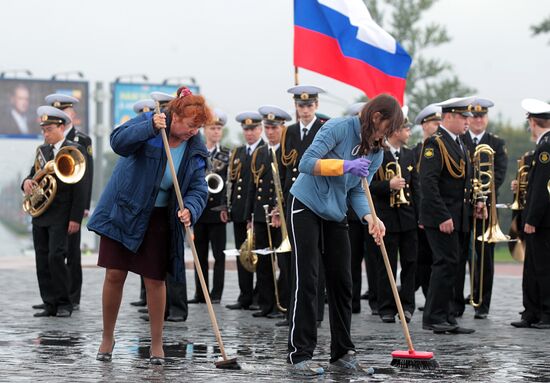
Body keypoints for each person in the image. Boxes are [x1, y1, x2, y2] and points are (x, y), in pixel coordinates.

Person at [87, 86, 210, 364]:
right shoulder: (150, 122)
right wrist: (149, 129)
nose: (193, 131)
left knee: (155, 280)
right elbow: (118, 142)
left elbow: (199, 187)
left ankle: (157, 344)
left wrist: (190, 208)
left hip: (158, 218)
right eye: (190, 125)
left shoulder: (196, 147)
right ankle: (108, 337)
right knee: (114, 275)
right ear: (175, 116)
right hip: (124, 210)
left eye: (198, 126)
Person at [287, 94, 402, 376]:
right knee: (309, 278)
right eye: (387, 128)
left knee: (343, 281)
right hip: (306, 205)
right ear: (376, 118)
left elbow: (356, 191)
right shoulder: (337, 128)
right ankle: (299, 355)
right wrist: (344, 165)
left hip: (336, 212)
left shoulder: (375, 152)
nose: (386, 136)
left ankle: (342, 353)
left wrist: (370, 217)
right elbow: (306, 163)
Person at [419, 96, 482, 335]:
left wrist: (476, 204)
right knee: (444, 264)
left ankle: (446, 316)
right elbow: (429, 184)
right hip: (443, 218)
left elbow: (465, 182)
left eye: (468, 117)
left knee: (453, 267)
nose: (468, 121)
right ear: (448, 117)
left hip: (459, 216)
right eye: (463, 117)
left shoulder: (459, 142)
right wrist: (442, 216)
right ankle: (434, 317)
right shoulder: (436, 143)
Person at [22, 106, 87, 318]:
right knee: (41, 259)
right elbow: (33, 175)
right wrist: (26, 183)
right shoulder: (42, 151)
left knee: (56, 257)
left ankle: (64, 303)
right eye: (43, 130)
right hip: (41, 215)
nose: (45, 134)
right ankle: (49, 303)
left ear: (61, 127)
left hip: (62, 214)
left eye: (49, 129)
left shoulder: (74, 149)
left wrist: (75, 218)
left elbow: (81, 188)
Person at [279, 85, 328, 327]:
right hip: (293, 198)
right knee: (295, 257)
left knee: (315, 257)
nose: (305, 110)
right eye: (301, 105)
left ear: (316, 106)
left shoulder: (324, 127)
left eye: (309, 105)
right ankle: (295, 311)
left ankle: (316, 312)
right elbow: (285, 168)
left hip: (316, 198)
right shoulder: (288, 132)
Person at [42, 93, 94, 311]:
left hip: (73, 204)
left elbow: (86, 176)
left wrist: (83, 207)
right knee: (54, 253)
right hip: (54, 207)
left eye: (66, 111)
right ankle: (56, 296)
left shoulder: (82, 140)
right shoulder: (50, 138)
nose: (63, 114)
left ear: (72, 114)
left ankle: (73, 297)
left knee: (72, 253)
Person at [367, 113, 420, 323]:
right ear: (396, 131)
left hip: (408, 218)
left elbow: (416, 187)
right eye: (406, 129)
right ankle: (387, 307)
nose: (409, 133)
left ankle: (407, 306)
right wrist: (388, 185)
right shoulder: (377, 153)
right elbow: (367, 185)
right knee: (386, 263)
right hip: (386, 217)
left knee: (410, 263)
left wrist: (420, 216)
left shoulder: (409, 155)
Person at [459, 97, 507, 319]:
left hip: (486, 207)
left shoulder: (496, 143)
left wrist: (483, 197)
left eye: (482, 116)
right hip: (463, 206)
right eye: (474, 116)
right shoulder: (459, 140)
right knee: (460, 254)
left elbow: (498, 175)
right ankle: (456, 301)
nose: (478, 120)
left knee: (485, 257)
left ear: (486, 118)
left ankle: (482, 304)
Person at [245, 105, 291, 319]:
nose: (270, 132)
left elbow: (286, 183)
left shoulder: (288, 151)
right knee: (263, 261)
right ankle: (266, 304)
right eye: (267, 127)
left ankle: (283, 303)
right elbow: (252, 187)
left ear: (282, 127)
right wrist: (249, 217)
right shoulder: (260, 152)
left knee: (283, 263)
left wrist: (279, 211)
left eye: (274, 127)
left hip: (280, 216)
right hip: (261, 215)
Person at [511, 98, 550, 329]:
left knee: (543, 267)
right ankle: (532, 311)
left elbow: (543, 188)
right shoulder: (544, 145)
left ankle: (546, 312)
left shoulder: (545, 147)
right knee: (533, 266)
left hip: (542, 221)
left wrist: (532, 219)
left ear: (533, 122)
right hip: (540, 219)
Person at [189, 108, 231, 304]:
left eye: (218, 128)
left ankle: (216, 294)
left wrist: (225, 207)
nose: (215, 132)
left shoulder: (227, 155)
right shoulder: (197, 152)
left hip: (217, 213)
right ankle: (200, 292)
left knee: (219, 256)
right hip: (199, 211)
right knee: (200, 256)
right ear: (204, 130)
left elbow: (230, 183)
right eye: (212, 128)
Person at [225, 111, 264, 311]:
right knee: (243, 255)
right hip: (240, 211)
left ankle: (259, 295)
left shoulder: (266, 150)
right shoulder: (238, 152)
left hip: (257, 212)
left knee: (260, 255)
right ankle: (245, 295)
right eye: (246, 129)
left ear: (260, 129)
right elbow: (232, 183)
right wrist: (228, 207)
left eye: (253, 129)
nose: (249, 133)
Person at [128, 99, 157, 309]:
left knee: (157, 267)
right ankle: (144, 295)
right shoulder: (135, 136)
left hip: (162, 211)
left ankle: (169, 306)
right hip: (136, 207)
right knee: (140, 258)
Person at [412, 104, 441, 302]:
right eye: (433, 122)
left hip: (436, 212)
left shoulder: (442, 149)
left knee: (436, 257)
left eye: (439, 121)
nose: (437, 125)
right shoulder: (415, 152)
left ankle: (433, 297)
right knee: (421, 258)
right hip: (417, 213)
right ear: (424, 125)